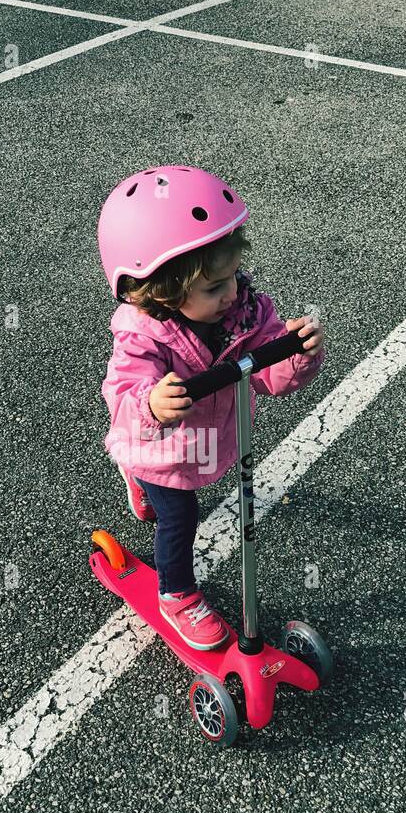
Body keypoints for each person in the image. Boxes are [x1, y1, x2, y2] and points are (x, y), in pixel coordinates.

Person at [98, 165, 325, 650]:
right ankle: (175, 593)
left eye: (232, 276)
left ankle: (136, 481)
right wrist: (152, 405)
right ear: (160, 290)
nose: (230, 293)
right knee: (180, 516)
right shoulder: (143, 337)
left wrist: (296, 353)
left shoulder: (244, 308)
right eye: (213, 287)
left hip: (209, 438)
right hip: (161, 447)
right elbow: (122, 398)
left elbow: (267, 378)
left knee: (185, 494)